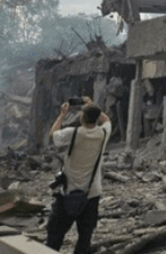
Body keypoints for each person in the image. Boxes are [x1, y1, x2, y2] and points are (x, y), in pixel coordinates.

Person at [46, 97, 111, 254]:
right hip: (92, 195)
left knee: (54, 235)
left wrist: (62, 114)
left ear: (81, 118)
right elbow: (106, 119)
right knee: (84, 239)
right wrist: (90, 104)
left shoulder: (72, 133)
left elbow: (52, 134)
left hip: (68, 193)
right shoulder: (103, 133)